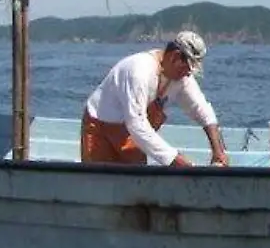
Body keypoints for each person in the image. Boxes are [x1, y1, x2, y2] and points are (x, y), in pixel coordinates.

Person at [81, 31, 230, 167]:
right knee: (100, 179)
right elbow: (137, 125)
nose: (188, 74)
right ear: (175, 56)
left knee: (136, 181)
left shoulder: (183, 79)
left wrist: (219, 152)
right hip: (100, 126)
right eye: (187, 68)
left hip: (130, 134)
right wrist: (177, 161)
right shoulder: (139, 71)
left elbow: (202, 110)